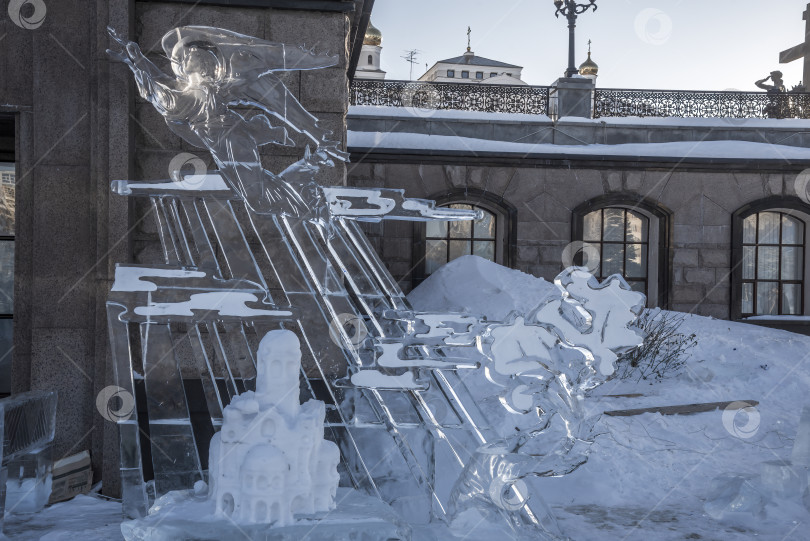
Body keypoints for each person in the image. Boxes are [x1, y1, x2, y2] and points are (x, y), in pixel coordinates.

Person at [106, 26, 347, 216]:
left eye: (186, 55)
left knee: (257, 201)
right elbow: (156, 84)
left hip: (232, 139)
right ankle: (307, 179)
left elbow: (277, 97)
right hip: (219, 144)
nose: (181, 60)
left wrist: (314, 130)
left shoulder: (217, 88)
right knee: (257, 197)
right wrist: (135, 59)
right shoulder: (181, 91)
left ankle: (311, 200)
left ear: (202, 60)